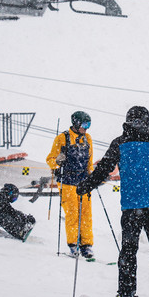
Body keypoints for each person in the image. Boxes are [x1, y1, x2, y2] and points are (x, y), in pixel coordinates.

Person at [76, 106, 149, 297]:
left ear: (128, 121)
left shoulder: (121, 143)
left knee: (129, 248)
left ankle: (126, 295)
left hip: (133, 204)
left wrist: (86, 186)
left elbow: (104, 168)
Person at [45, 110, 95, 259]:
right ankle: (73, 245)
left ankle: (87, 245)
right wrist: (57, 161)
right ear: (76, 123)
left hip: (83, 182)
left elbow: (89, 162)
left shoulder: (88, 139)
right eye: (85, 124)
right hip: (67, 181)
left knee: (86, 214)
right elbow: (50, 160)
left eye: (89, 124)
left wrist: (92, 176)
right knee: (73, 213)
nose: (87, 128)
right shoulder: (62, 138)